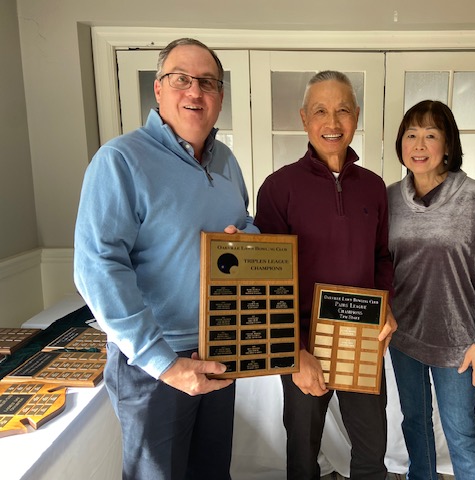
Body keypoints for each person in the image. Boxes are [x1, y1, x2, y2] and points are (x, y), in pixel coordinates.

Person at [74, 38, 259, 480]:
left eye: (208, 83)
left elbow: (245, 223)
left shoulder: (227, 161)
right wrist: (166, 364)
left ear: (219, 98)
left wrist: (245, 237)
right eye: (181, 79)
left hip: (219, 351)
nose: (195, 92)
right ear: (159, 89)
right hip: (153, 365)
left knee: (213, 472)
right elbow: (96, 266)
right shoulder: (120, 160)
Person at [254, 70, 397, 480]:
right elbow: (268, 283)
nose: (332, 124)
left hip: (363, 338)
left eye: (342, 111)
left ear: (356, 118)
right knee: (302, 454)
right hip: (301, 344)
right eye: (320, 111)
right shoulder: (278, 188)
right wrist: (294, 351)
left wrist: (386, 306)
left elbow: (382, 257)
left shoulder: (373, 188)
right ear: (304, 119)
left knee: (372, 452)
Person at [387, 100, 475, 480]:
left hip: (458, 342)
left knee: (462, 432)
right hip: (403, 337)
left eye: (431, 135)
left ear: (448, 146)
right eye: (411, 134)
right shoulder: (389, 199)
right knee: (415, 424)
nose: (419, 145)